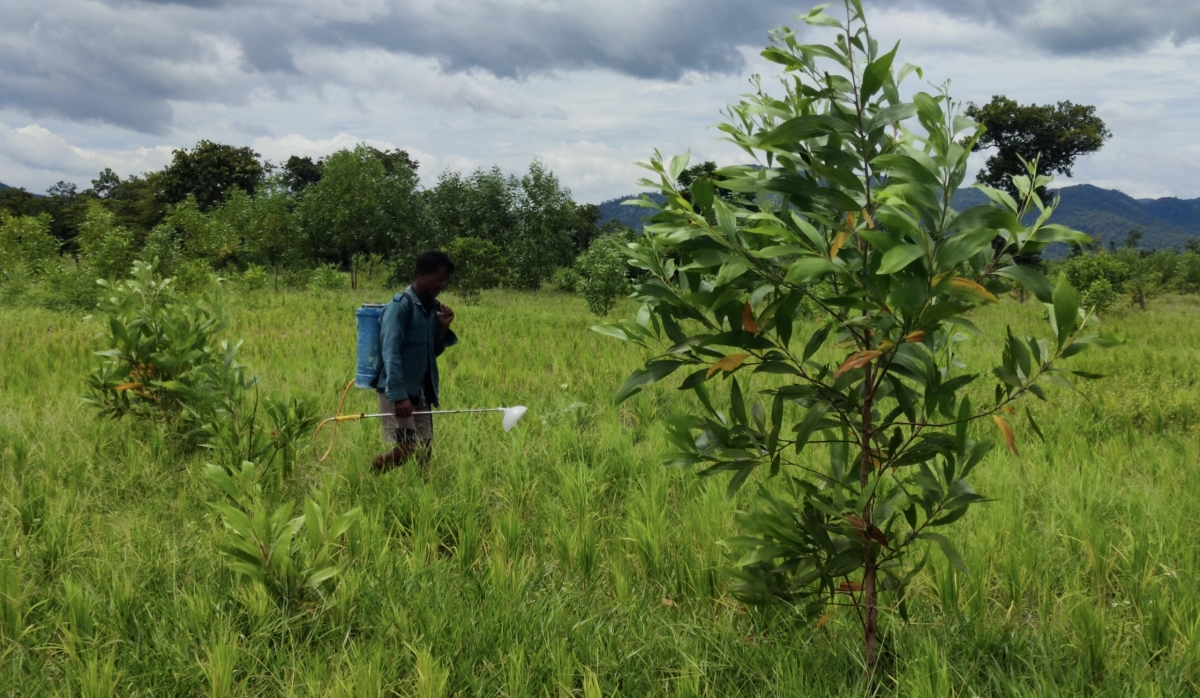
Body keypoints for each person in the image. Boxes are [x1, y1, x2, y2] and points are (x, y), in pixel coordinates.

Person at [370, 250, 457, 471]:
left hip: (420, 391)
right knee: (407, 448)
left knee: (425, 448)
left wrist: (442, 329)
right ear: (421, 274)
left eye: (445, 279)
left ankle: (424, 494)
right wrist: (399, 397)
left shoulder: (431, 309)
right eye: (439, 279)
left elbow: (430, 353)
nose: (443, 285)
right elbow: (391, 353)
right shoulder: (400, 306)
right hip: (398, 391)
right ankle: (367, 478)